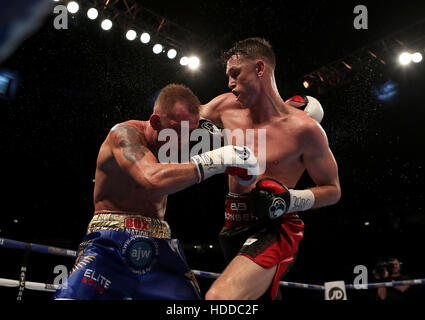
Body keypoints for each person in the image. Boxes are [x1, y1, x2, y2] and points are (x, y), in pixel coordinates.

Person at [53, 83, 259, 300]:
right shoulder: (124, 134)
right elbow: (151, 179)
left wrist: (280, 109)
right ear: (155, 121)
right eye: (177, 130)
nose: (183, 140)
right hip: (110, 244)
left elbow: (233, 106)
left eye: (190, 131)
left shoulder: (183, 135)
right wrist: (219, 160)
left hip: (161, 246)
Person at [200, 38, 341, 300]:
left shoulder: (305, 130)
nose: (229, 83)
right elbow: (183, 118)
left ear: (260, 69)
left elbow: (333, 190)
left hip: (276, 229)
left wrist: (289, 199)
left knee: (220, 299)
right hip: (231, 226)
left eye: (235, 74)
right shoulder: (225, 106)